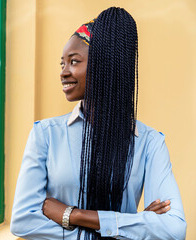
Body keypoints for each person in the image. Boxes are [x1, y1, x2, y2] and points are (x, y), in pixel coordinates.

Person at [10, 7, 187, 240]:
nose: (64, 72)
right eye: (62, 63)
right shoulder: (45, 134)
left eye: (74, 61)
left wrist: (73, 215)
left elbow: (174, 230)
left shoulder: (150, 142)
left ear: (105, 65)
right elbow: (23, 221)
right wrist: (129, 227)